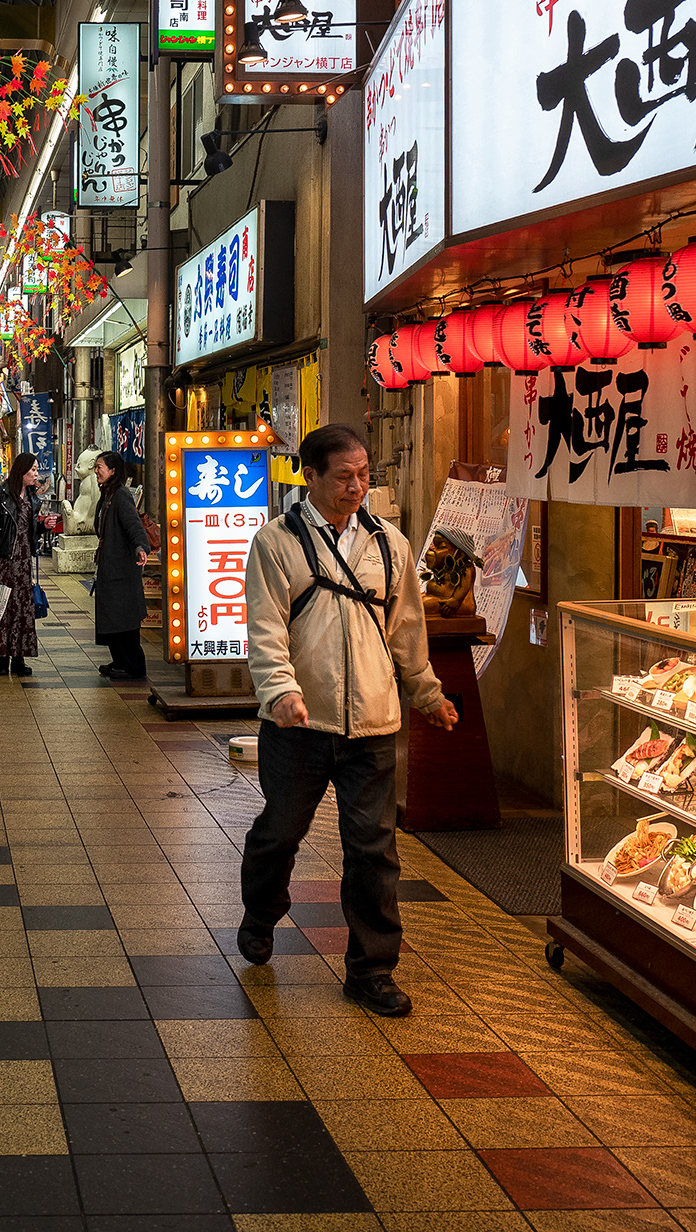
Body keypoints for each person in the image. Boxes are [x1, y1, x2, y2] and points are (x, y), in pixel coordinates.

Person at [239, 424, 458, 1017]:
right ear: (310, 476)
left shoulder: (390, 544)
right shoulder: (276, 543)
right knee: (280, 832)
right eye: (344, 476)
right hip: (299, 726)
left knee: (374, 851)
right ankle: (261, 911)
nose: (357, 486)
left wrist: (427, 694)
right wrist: (280, 692)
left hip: (374, 724)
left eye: (364, 474)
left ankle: (371, 970)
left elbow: (406, 630)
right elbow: (265, 627)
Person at [0, 452, 41, 676]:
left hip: (24, 562)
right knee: (4, 609)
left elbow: (29, 528)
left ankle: (19, 658)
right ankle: (1, 658)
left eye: (36, 469)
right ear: (22, 470)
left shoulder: (32, 496)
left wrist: (43, 526)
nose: (36, 474)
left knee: (22, 610)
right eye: (33, 470)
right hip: (4, 561)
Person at [92, 452, 150, 679]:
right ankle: (119, 661)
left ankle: (134, 666)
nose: (96, 471)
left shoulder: (121, 495)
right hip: (110, 566)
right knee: (112, 617)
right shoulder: (107, 493)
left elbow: (134, 525)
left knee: (123, 618)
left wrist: (141, 547)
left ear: (113, 471)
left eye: (100, 467)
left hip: (122, 569)